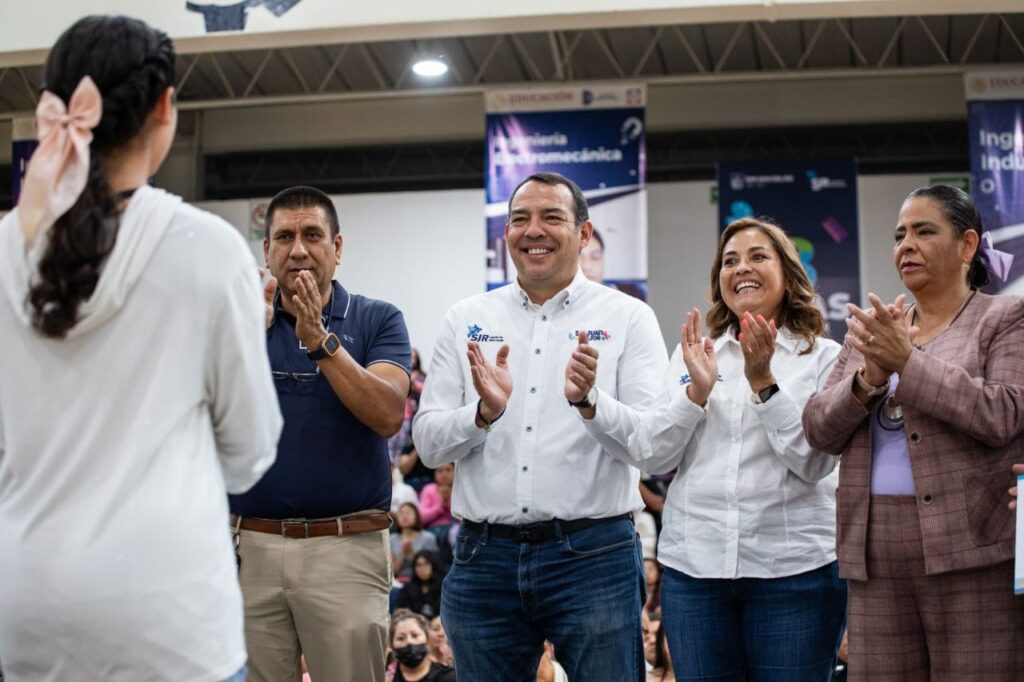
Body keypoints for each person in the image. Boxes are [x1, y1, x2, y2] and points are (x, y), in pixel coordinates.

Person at [0, 15, 282, 682]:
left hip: (28, 602)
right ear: (164, 107)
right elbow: (251, 452)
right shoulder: (208, 250)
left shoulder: (5, 248)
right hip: (169, 614)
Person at [413, 171, 667, 680]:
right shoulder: (466, 319)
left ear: (585, 234)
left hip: (594, 555)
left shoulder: (629, 318)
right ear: (505, 233)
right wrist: (482, 414)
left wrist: (592, 404)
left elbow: (653, 446)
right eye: (519, 219)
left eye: (552, 217)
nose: (534, 230)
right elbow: (428, 443)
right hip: (483, 557)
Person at [803, 184, 1024, 681]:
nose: (907, 245)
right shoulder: (874, 330)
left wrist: (907, 362)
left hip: (971, 544)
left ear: (968, 245)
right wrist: (869, 379)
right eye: (900, 234)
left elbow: (1003, 414)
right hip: (873, 550)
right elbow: (818, 429)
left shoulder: (1004, 318)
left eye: (925, 231)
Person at [621, 217, 846, 679]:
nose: (741, 267)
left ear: (788, 274)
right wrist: (694, 397)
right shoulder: (695, 356)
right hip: (694, 574)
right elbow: (656, 459)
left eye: (758, 256)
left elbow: (813, 462)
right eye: (729, 261)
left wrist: (763, 381)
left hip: (796, 574)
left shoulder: (824, 358)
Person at [229, 185, 412, 682]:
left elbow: (388, 414)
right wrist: (242, 337)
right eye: (284, 237)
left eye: (313, 234)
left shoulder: (378, 318)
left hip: (345, 551)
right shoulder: (237, 322)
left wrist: (321, 343)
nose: (299, 249)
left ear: (338, 247)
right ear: (266, 252)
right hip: (250, 551)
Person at [389, 611, 457, 682]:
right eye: (401, 638)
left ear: (427, 639)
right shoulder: (384, 677)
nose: (409, 641)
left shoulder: (449, 677)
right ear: (392, 645)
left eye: (415, 635)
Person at [392, 502, 440, 582]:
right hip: (397, 582)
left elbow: (433, 568)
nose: (405, 516)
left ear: (416, 516)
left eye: (408, 513)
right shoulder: (392, 539)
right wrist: (402, 554)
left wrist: (412, 553)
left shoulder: (428, 538)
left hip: (421, 582)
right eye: (401, 513)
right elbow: (391, 573)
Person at [395, 550, 445, 618]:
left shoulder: (444, 588)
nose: (422, 569)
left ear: (434, 566)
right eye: (419, 565)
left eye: (426, 564)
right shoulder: (407, 588)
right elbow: (399, 611)